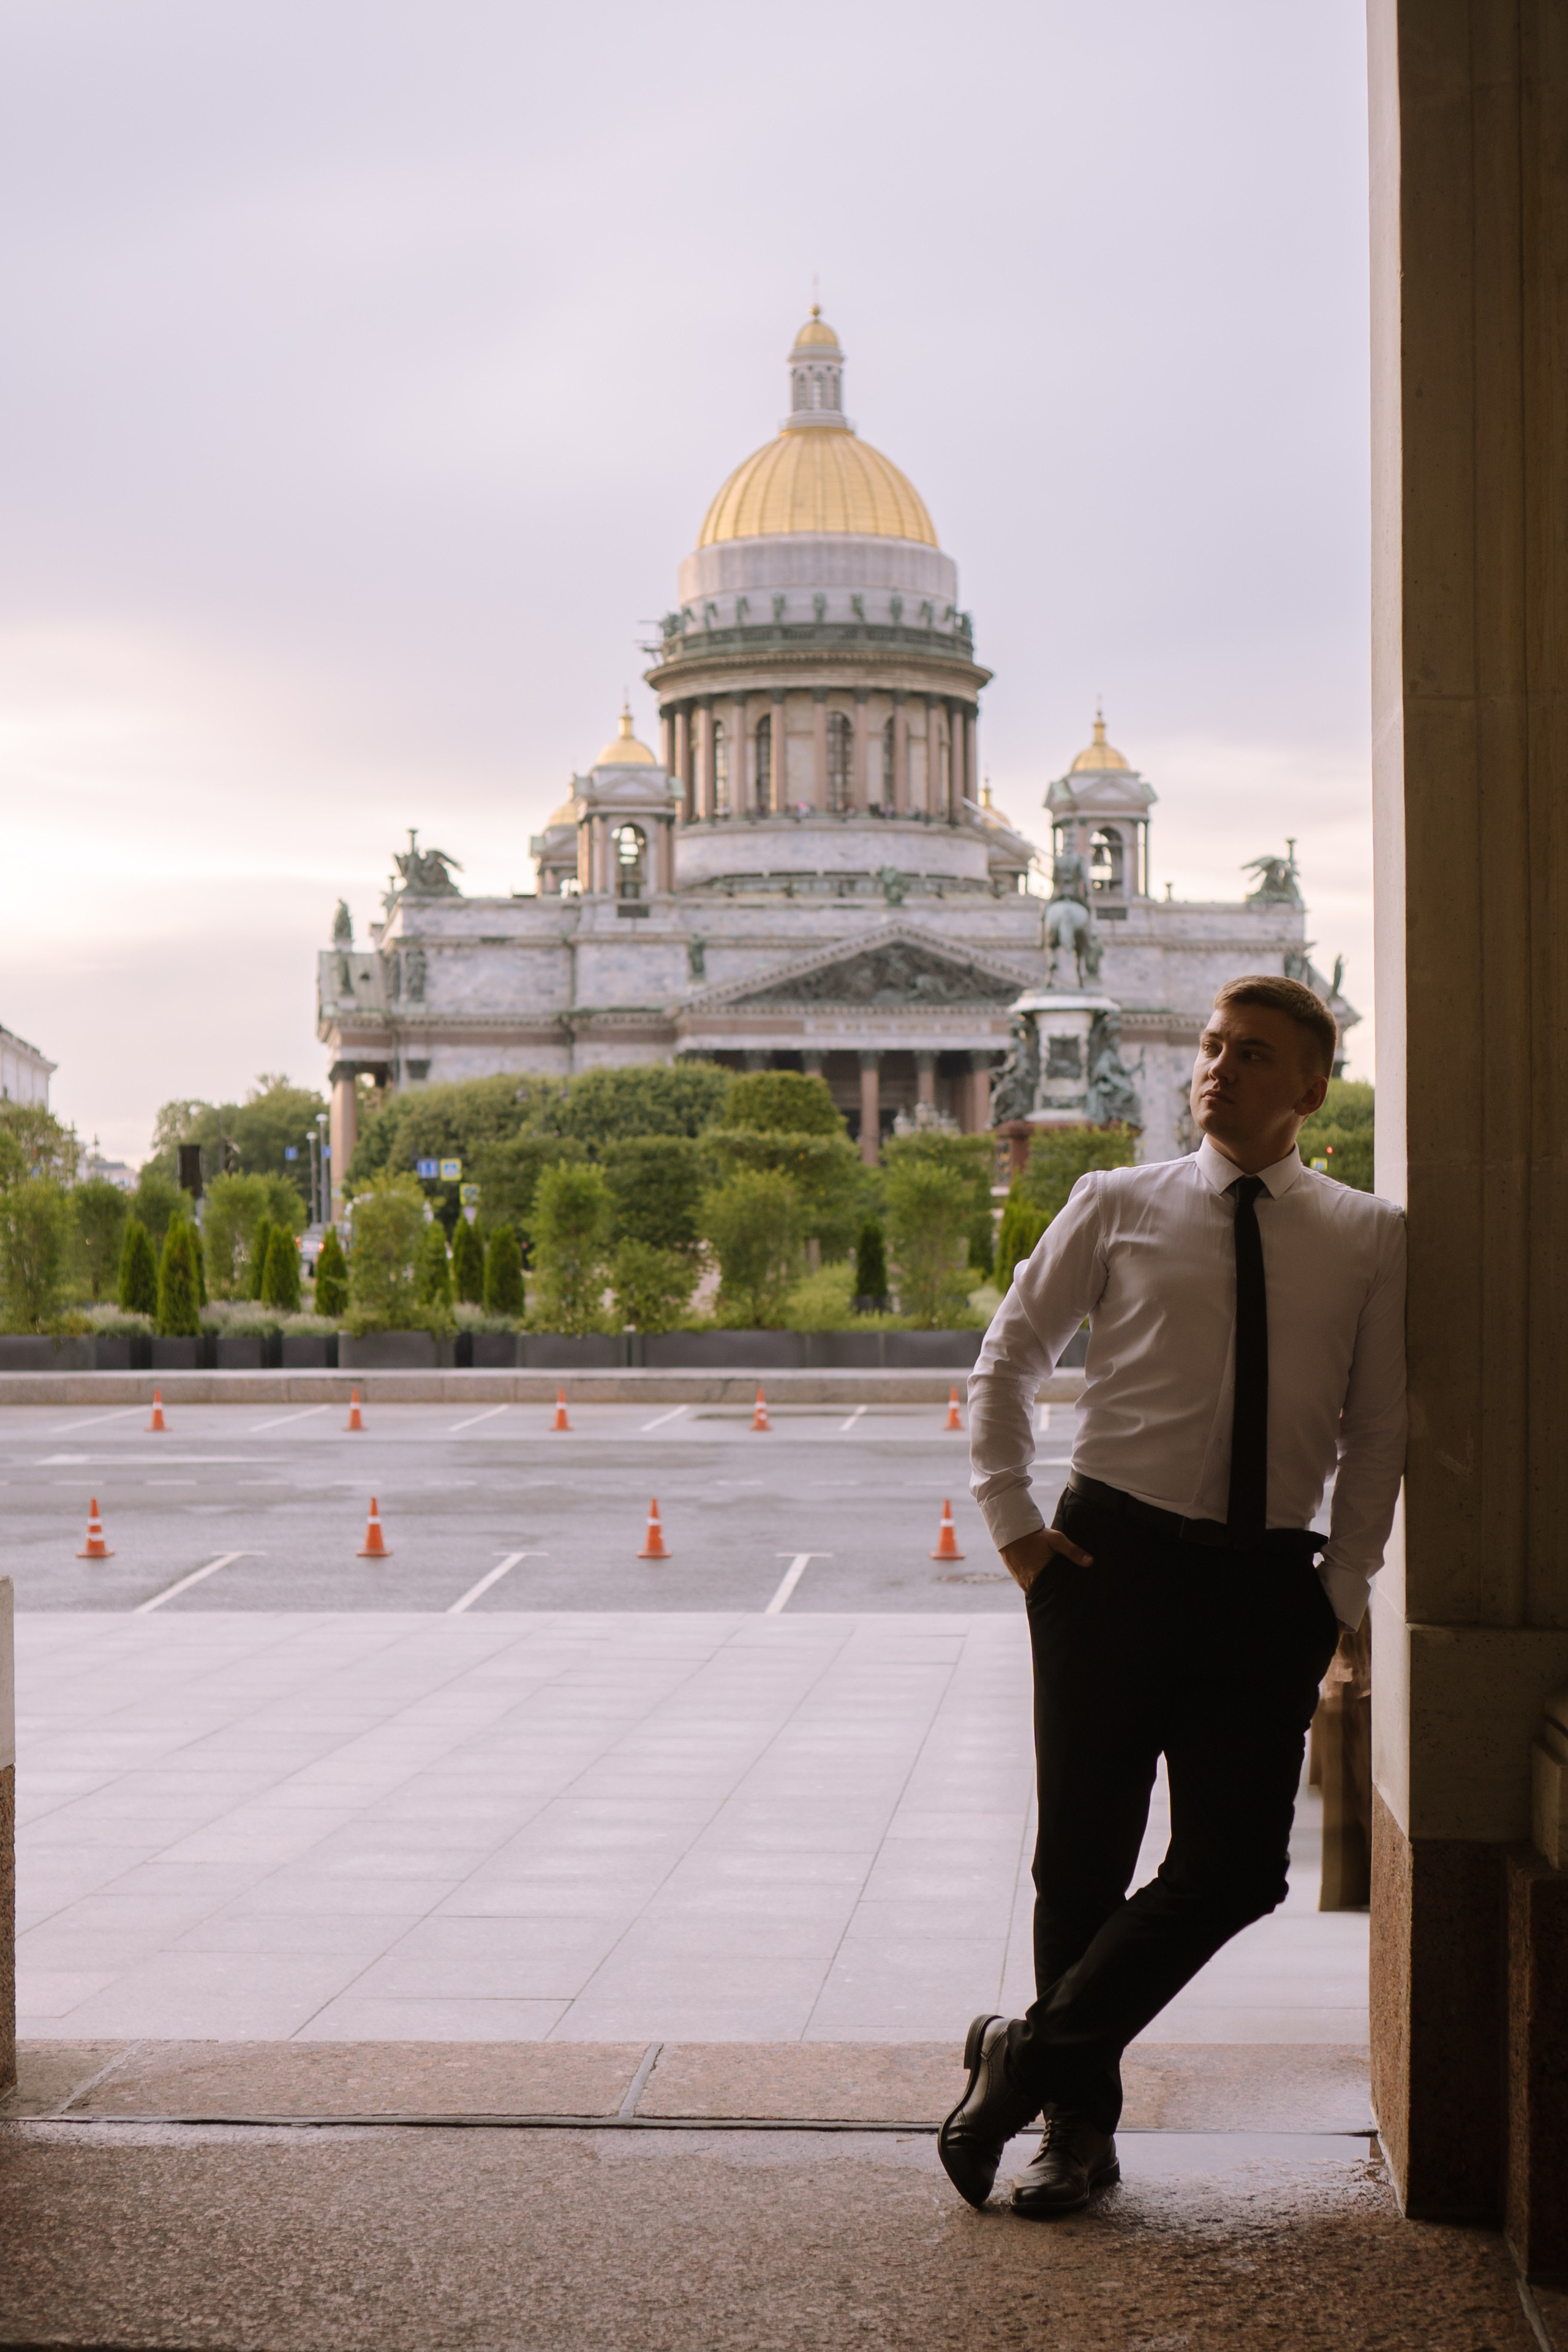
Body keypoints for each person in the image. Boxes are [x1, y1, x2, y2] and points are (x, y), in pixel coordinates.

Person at [939, 974, 1406, 2217]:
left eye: (1251, 1054)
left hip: (1267, 1584)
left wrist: (1338, 1590)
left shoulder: (1365, 1237)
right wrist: (1014, 1527)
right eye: (1208, 1048)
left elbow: (1377, 1431)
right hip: (1105, 1565)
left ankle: (1023, 2055)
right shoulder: (1115, 1202)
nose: (1217, 1069)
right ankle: (1073, 2136)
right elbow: (1007, 1358)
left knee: (1235, 1868)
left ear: (1309, 1087)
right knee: (1079, 1863)